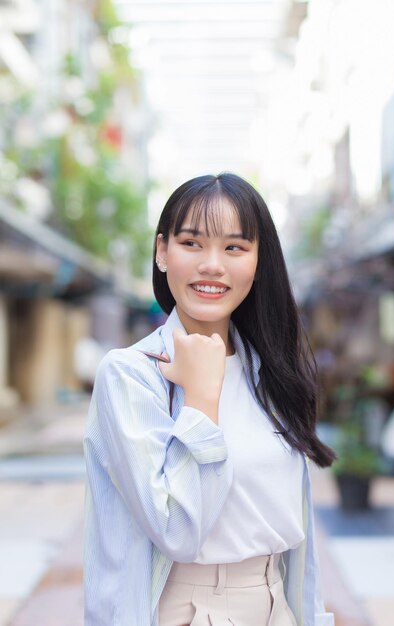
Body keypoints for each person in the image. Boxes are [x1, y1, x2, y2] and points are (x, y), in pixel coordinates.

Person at [83, 173, 336, 626]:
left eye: (235, 247)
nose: (212, 265)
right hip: (183, 608)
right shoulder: (131, 374)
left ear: (259, 262)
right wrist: (200, 400)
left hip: (277, 604)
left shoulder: (271, 371)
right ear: (162, 252)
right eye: (192, 243)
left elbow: (298, 541)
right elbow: (176, 532)